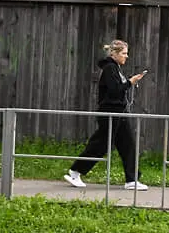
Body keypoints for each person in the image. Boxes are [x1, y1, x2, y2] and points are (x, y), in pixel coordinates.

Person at [64, 39, 149, 191]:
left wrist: (129, 82)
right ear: (114, 54)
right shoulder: (110, 68)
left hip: (119, 113)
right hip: (110, 112)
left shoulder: (115, 68)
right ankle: (75, 172)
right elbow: (115, 90)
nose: (126, 56)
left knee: (128, 145)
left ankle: (132, 179)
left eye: (126, 53)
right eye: (124, 53)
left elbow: (118, 88)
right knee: (101, 144)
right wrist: (130, 82)